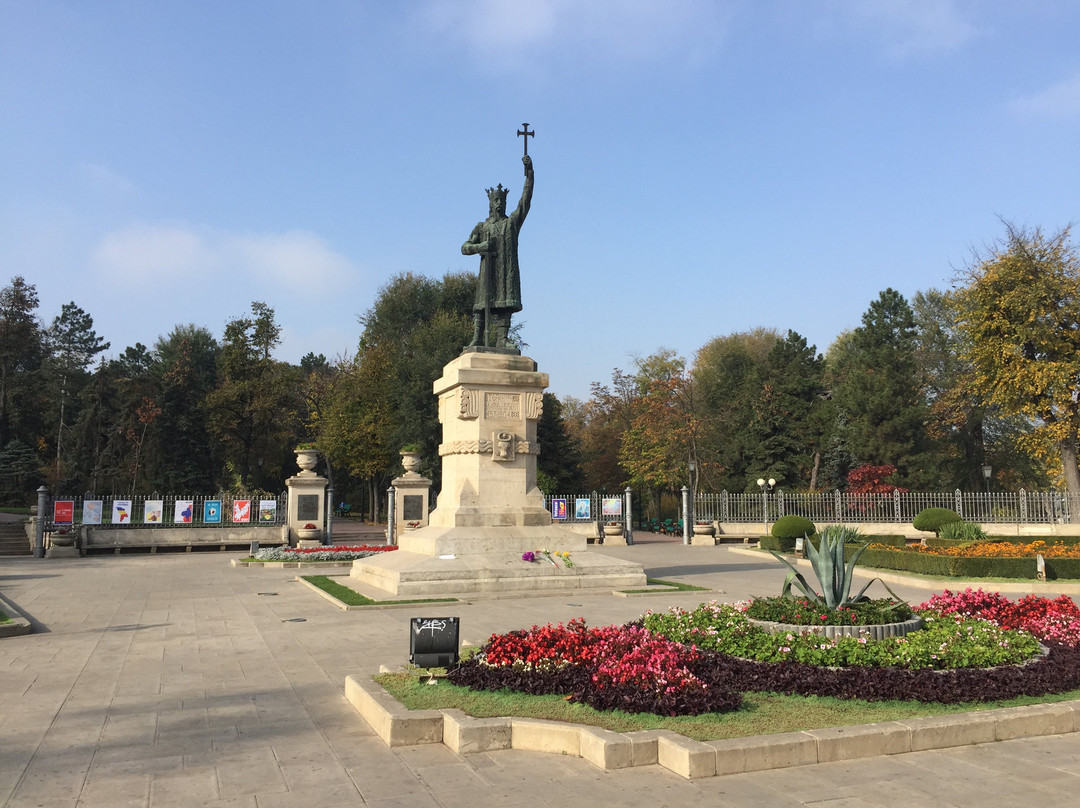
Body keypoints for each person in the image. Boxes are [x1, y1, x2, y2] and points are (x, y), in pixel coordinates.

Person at [462, 154, 533, 349]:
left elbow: (525, 203)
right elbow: (464, 247)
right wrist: (480, 247)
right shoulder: (482, 227)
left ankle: (502, 338)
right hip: (489, 272)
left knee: (505, 303)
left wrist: (529, 175)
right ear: (491, 203)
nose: (499, 204)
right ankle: (477, 338)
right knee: (481, 305)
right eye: (496, 201)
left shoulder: (511, 223)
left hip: (506, 272)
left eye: (501, 201)